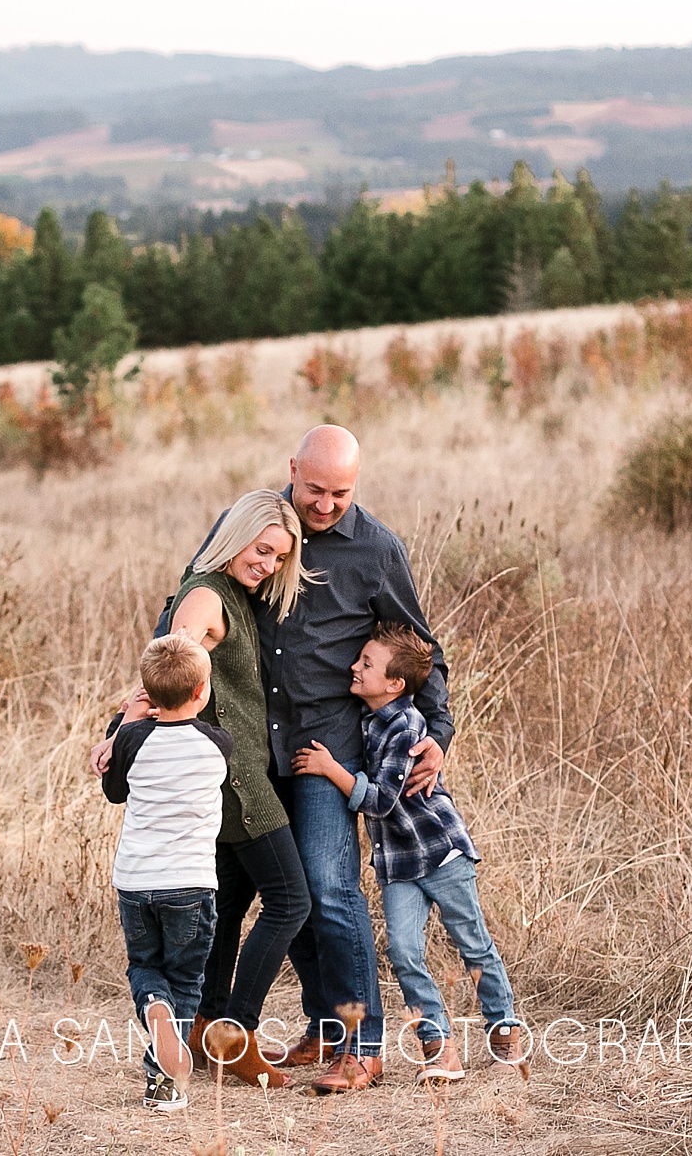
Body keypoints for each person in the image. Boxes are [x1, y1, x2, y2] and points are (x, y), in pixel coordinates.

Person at [158, 426, 454, 1094]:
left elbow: (417, 643)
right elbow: (186, 605)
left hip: (327, 747)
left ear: (359, 483)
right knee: (273, 886)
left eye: (340, 493)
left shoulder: (377, 549)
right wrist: (153, 693)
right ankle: (319, 1021)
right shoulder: (259, 528)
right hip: (254, 748)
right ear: (292, 469)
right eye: (314, 488)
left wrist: (438, 729)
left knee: (328, 887)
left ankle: (362, 1044)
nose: (324, 504)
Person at [128, 489, 314, 1089]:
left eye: (278, 560)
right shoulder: (206, 594)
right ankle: (237, 1030)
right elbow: (169, 671)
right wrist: (124, 727)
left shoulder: (234, 589)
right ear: (238, 536)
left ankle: (201, 1025)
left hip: (241, 775)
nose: (266, 566)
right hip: (237, 785)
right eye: (262, 551)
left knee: (228, 908)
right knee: (290, 899)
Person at [292, 623, 526, 1083]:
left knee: (472, 942)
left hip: (440, 854)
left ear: (395, 684)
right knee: (402, 951)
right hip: (398, 864)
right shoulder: (367, 719)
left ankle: (504, 1028)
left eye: (366, 664)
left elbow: (381, 800)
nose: (354, 667)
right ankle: (439, 1046)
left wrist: (331, 769)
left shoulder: (406, 727)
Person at [101, 633, 232, 1113]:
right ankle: (166, 1080)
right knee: (186, 979)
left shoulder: (133, 739)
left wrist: (124, 719)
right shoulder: (218, 743)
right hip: (191, 883)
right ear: (201, 692)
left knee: (146, 967)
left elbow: (115, 792)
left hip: (136, 881)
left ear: (147, 694)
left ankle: (154, 1012)